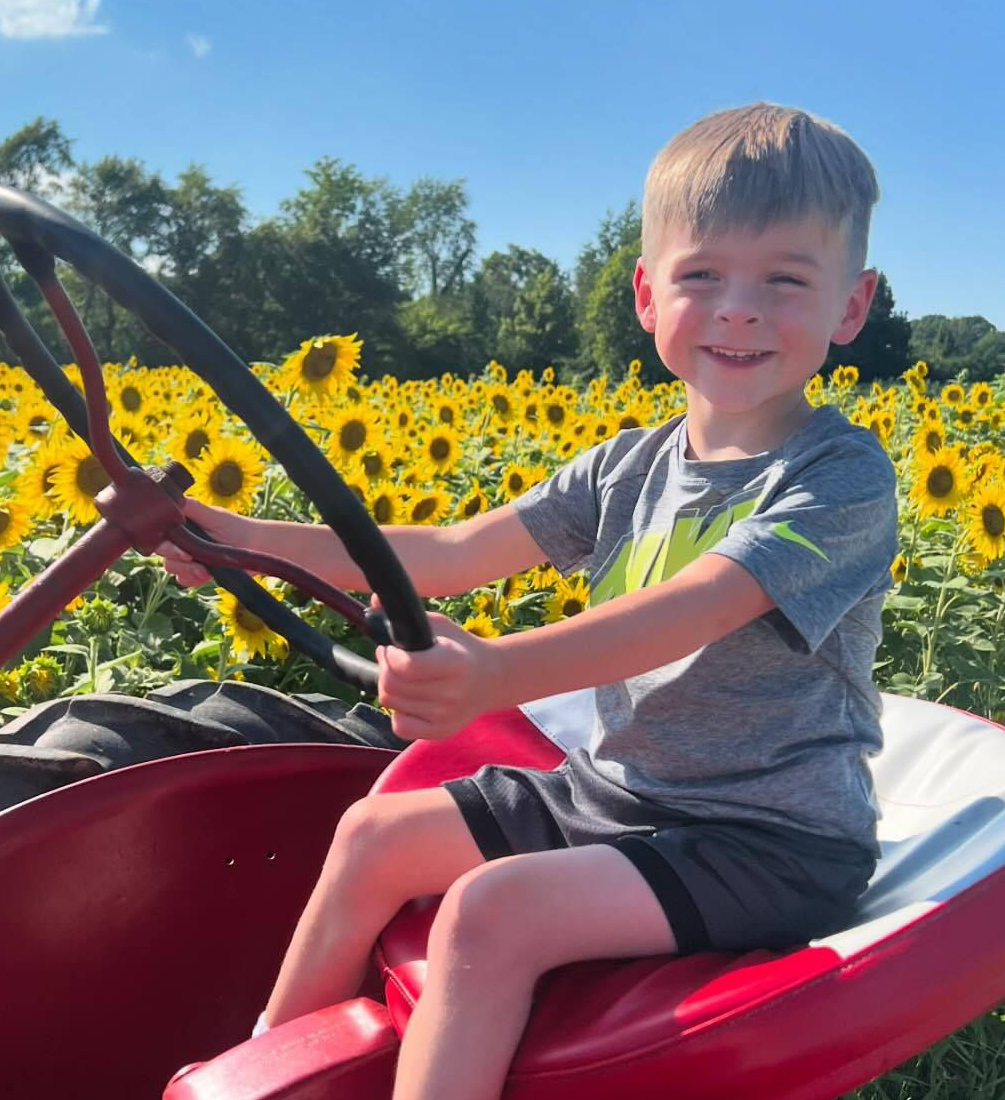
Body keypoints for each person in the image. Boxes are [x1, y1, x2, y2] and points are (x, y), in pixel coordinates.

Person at [156, 101, 897, 1100]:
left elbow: (703, 602)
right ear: (646, 292)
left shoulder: (838, 476)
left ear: (852, 306)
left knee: (489, 915)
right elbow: (456, 548)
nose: (739, 309)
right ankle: (270, 1070)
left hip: (764, 837)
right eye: (703, 275)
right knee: (372, 836)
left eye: (785, 280)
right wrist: (247, 539)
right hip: (622, 793)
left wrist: (498, 671)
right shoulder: (628, 465)